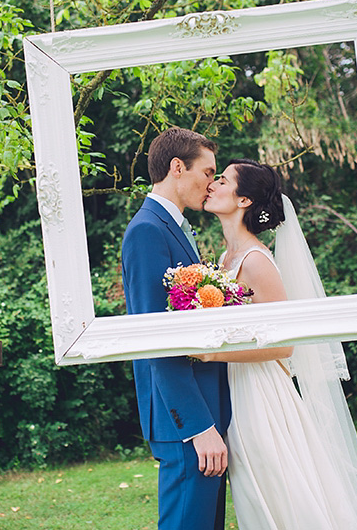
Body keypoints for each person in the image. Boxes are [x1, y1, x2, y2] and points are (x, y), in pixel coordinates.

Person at [198, 158, 357, 530]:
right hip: (238, 388)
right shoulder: (226, 259)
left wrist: (213, 354)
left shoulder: (256, 262)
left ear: (244, 200)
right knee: (257, 492)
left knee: (277, 487)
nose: (213, 184)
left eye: (223, 180)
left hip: (262, 393)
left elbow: (285, 347)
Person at [121, 127, 232, 530]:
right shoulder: (148, 231)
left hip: (203, 407)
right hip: (184, 418)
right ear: (177, 167)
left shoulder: (173, 227)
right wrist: (199, 427)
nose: (211, 183)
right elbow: (156, 338)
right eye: (208, 172)